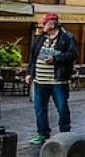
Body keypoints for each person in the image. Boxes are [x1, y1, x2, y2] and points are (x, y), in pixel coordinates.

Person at [24, 12, 76, 145]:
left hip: (58, 80)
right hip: (40, 80)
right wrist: (30, 73)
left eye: (44, 23)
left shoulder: (67, 38)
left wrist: (56, 59)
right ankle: (42, 133)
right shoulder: (40, 38)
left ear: (51, 24)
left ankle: (65, 132)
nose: (42, 26)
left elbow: (72, 54)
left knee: (62, 106)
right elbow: (33, 57)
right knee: (39, 108)